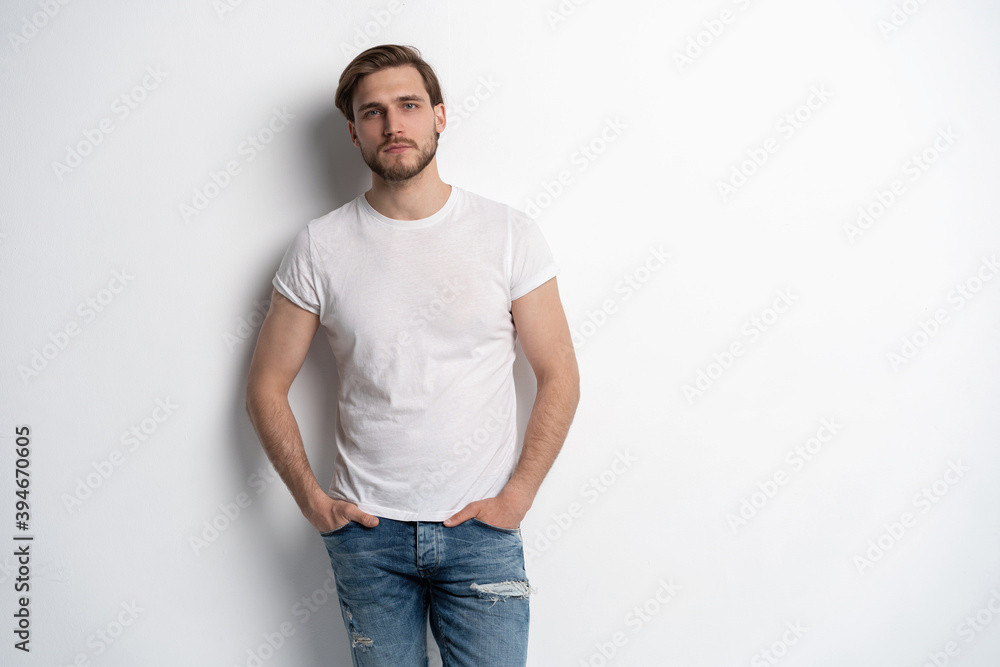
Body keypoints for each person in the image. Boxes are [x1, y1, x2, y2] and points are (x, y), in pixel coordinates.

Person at [245, 43, 580, 666]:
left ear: (440, 117)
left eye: (409, 105)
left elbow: (559, 373)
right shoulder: (321, 246)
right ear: (353, 132)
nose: (393, 125)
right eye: (373, 113)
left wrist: (518, 497)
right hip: (368, 538)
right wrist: (314, 504)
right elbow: (265, 385)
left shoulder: (508, 234)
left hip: (481, 532)